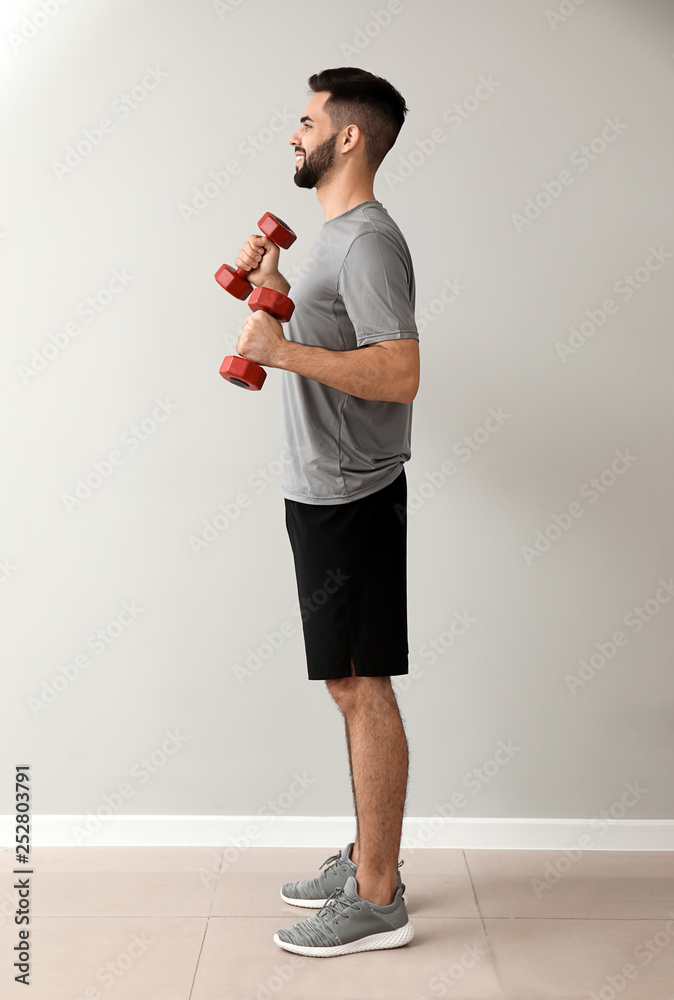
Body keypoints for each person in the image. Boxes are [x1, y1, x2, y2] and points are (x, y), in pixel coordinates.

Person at [234, 66, 419, 958]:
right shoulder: (329, 239)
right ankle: (368, 858)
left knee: (363, 685)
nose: (294, 133)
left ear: (348, 136)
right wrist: (272, 284)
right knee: (347, 686)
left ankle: (379, 897)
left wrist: (283, 352)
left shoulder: (368, 243)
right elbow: (313, 339)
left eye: (306, 120)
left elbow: (400, 371)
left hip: (354, 493)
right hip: (319, 487)